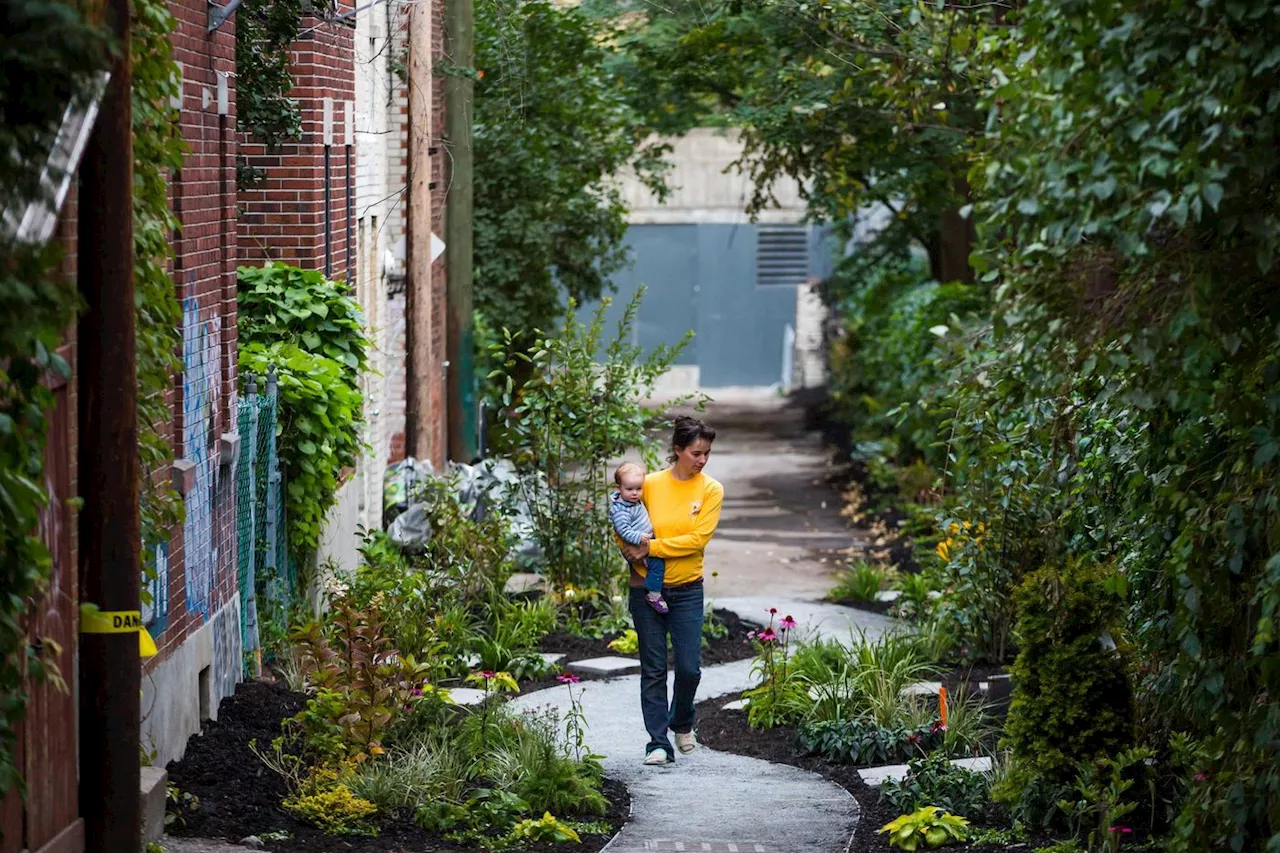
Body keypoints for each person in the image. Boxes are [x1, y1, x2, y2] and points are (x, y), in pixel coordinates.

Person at [618, 415, 723, 766]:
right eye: (696, 452)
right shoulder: (647, 485)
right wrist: (632, 553)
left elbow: (697, 541)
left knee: (690, 668)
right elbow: (621, 518)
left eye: (707, 453)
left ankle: (682, 722)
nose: (702, 459)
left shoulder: (710, 490)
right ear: (677, 450)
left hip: (688, 590)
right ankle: (658, 743)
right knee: (653, 668)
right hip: (645, 589)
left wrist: (651, 548)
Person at [609, 461, 669, 614]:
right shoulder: (621, 510)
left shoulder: (631, 502)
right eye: (629, 489)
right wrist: (639, 538)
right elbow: (623, 531)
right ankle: (653, 593)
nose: (635, 493)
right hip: (640, 543)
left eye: (638, 489)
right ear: (619, 488)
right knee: (657, 565)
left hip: (646, 537)